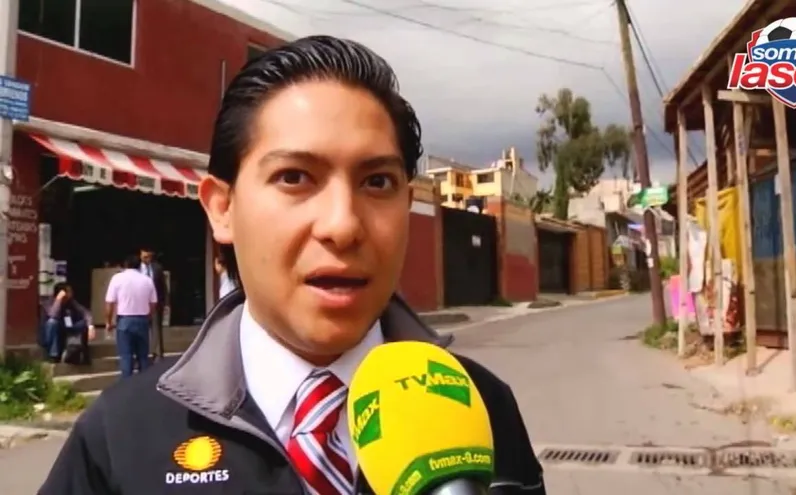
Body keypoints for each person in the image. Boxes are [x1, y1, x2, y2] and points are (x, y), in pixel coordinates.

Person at [40, 36, 544, 494]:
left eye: (377, 183)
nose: (343, 225)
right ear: (223, 208)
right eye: (295, 177)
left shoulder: (480, 407)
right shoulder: (120, 437)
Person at [105, 255, 157, 378]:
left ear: (125, 264)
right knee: (143, 357)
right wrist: (148, 316)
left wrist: (108, 322)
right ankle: (144, 385)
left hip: (124, 320)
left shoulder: (117, 278)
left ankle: (126, 387)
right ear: (140, 265)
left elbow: (109, 302)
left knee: (126, 356)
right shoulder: (147, 280)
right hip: (142, 319)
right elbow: (153, 303)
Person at [40, 282, 95, 364]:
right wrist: (58, 300)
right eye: (69, 291)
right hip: (52, 332)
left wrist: (90, 326)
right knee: (52, 322)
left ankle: (82, 353)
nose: (71, 293)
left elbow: (85, 312)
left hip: (67, 327)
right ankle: (54, 355)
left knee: (83, 323)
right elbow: (53, 315)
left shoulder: (71, 302)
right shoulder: (49, 302)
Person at [139, 246, 168, 359]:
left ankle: (158, 354)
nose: (147, 259)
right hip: (140, 303)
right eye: (145, 256)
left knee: (156, 328)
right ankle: (142, 354)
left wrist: (166, 302)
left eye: (149, 256)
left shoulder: (157, 268)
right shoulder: (136, 269)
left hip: (155, 303)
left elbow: (163, 287)